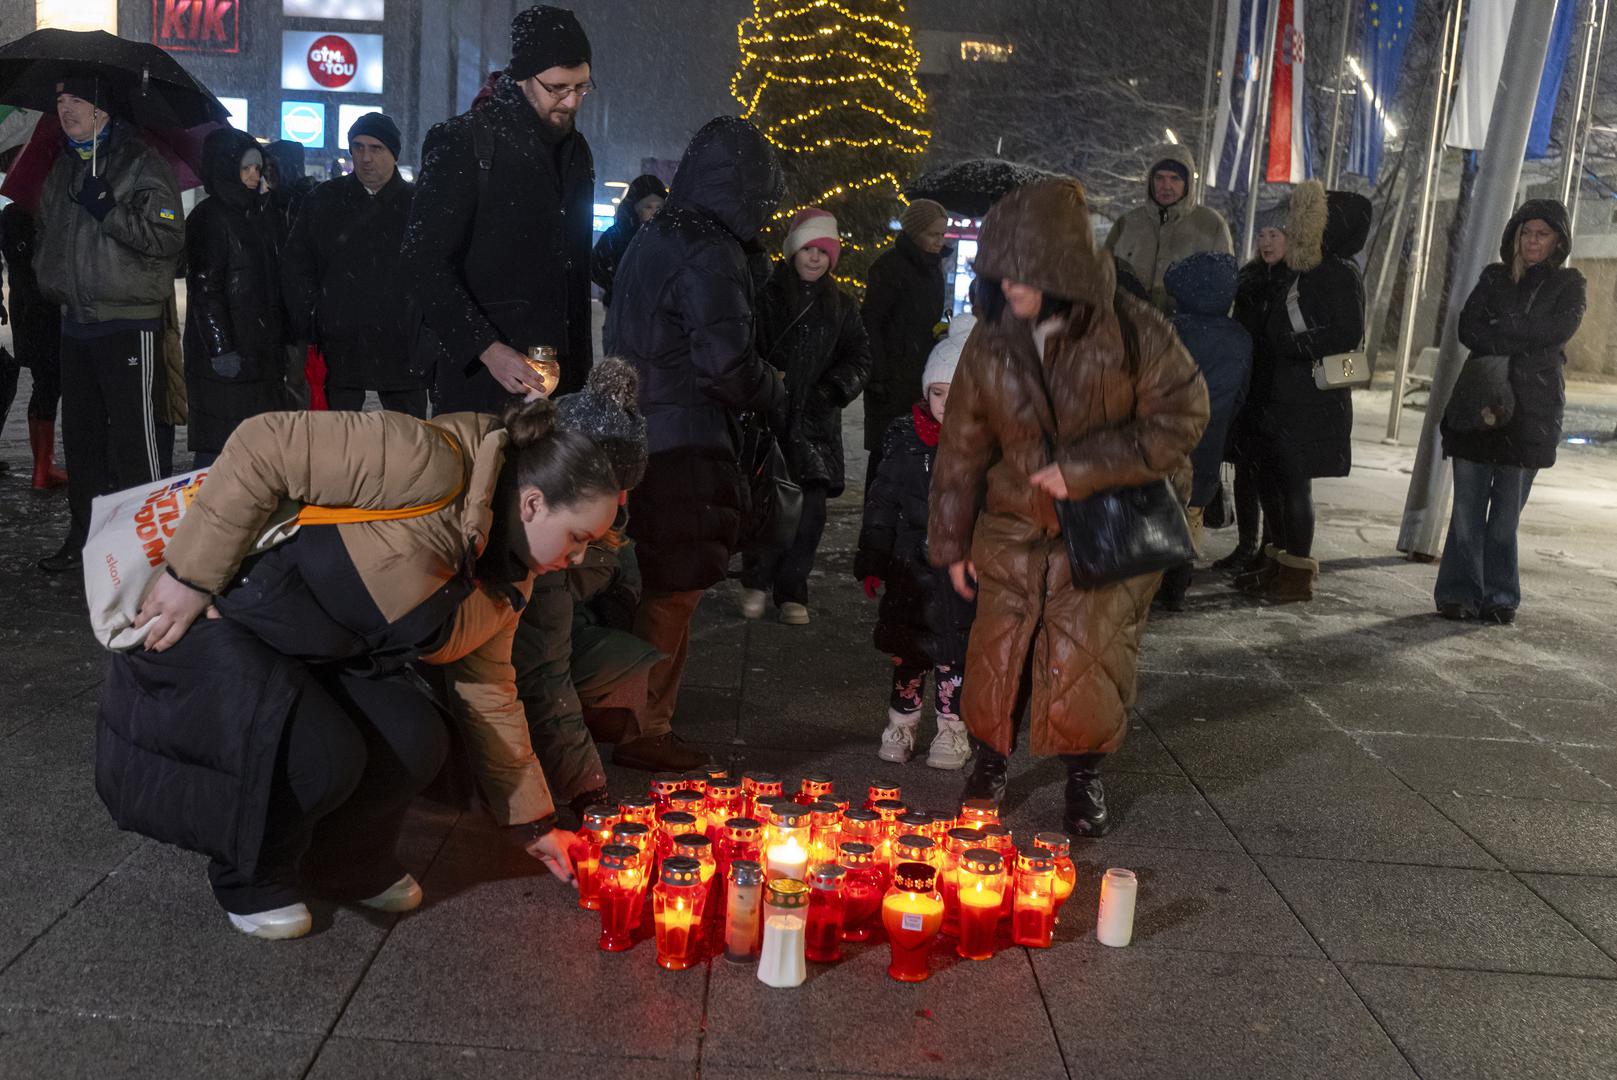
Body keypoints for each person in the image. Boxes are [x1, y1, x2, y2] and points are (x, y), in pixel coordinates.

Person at [97, 396, 620, 939]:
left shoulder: (510, 579)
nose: (578, 559)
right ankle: (250, 873)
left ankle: (341, 862)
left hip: (314, 653)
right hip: (222, 619)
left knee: (417, 738)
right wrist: (189, 576)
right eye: (578, 538)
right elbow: (264, 443)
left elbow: (488, 690)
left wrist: (533, 823)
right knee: (325, 755)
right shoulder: (428, 462)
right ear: (532, 504)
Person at [928, 181, 1207, 837]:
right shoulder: (991, 341)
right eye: (1002, 276)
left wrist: (1084, 469)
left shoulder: (1136, 330)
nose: (1012, 289)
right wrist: (949, 544)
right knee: (996, 660)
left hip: (1104, 532)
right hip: (1012, 529)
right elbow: (961, 449)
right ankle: (989, 764)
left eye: (1025, 275)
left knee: (1089, 664)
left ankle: (1084, 778)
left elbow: (1182, 417)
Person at [604, 116, 787, 773]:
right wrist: (776, 386)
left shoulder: (659, 233)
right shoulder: (707, 248)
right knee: (673, 591)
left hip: (641, 429)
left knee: (661, 584)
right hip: (683, 438)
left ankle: (643, 714)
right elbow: (726, 367)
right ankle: (640, 725)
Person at [405, 4, 596, 411]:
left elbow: (574, 272)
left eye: (581, 87)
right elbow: (423, 261)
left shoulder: (577, 152)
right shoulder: (464, 141)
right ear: (525, 76)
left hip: (559, 386)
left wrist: (582, 376)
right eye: (558, 87)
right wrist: (487, 348)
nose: (572, 101)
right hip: (483, 383)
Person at [33, 80, 186, 573]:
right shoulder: (64, 164)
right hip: (75, 322)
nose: (65, 109)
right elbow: (48, 233)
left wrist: (110, 210)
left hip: (128, 324)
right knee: (81, 442)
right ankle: (85, 539)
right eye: (60, 101)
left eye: (75, 99)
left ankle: (153, 548)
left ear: (102, 108)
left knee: (137, 442)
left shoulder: (141, 162)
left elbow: (166, 239)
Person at [512, 358, 659, 819]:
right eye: (615, 486)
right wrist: (586, 790)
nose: (622, 501)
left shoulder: (589, 519)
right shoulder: (546, 538)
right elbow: (544, 669)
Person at [1436, 200, 1586, 625]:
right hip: (1478, 407)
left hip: (1530, 416)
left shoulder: (1569, 284)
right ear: (1514, 236)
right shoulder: (1493, 277)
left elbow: (1556, 331)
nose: (1533, 239)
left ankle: (1500, 595)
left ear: (1558, 240)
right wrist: (1520, 333)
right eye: (1526, 232)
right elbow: (1469, 328)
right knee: (1466, 512)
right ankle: (1458, 593)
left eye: (1542, 232)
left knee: (1504, 519)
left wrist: (1501, 328)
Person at [1231, 181, 1370, 604]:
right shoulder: (1310, 266)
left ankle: (1295, 576)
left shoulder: (1339, 271)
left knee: (1294, 484)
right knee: (1273, 479)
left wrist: (1290, 345)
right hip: (1284, 394)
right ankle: (1276, 562)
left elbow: (1347, 333)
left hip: (1310, 398)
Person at [739, 207, 872, 625]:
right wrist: (764, 380)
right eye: (807, 249)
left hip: (815, 426)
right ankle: (756, 582)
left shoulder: (842, 306)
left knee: (810, 515)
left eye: (823, 251)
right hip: (771, 419)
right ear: (793, 250)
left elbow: (861, 356)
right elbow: (745, 347)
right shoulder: (766, 297)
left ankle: (792, 590)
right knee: (767, 506)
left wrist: (833, 390)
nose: (814, 258)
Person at [859, 314, 976, 769]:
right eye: (939, 393)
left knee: (953, 655)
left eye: (958, 393)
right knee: (908, 653)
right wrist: (873, 556)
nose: (947, 403)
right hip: (909, 569)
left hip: (959, 572)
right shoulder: (906, 440)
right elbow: (882, 501)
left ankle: (952, 731)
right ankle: (901, 724)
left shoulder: (985, 446)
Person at [282, 113, 425, 418]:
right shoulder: (323, 200)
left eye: (376, 148)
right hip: (339, 341)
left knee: (409, 440)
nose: (365, 158)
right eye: (357, 148)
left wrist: (424, 324)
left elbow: (437, 268)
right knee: (335, 441)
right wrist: (311, 315)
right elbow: (297, 264)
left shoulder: (419, 204)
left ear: (393, 154)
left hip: (402, 342)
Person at [183, 128, 285, 468]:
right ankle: (208, 517)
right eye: (246, 168)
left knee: (254, 446)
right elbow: (205, 289)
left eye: (258, 168)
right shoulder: (210, 218)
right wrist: (220, 347)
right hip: (225, 358)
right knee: (219, 447)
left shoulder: (256, 213)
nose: (255, 176)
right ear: (225, 168)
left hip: (256, 350)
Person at [1158, 251, 1253, 611]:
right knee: (1193, 508)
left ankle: (1157, 578)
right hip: (1212, 433)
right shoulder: (1240, 338)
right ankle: (1179, 583)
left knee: (1164, 502)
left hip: (1169, 431)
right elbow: (1241, 392)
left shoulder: (1171, 329)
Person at [861, 197, 949, 489]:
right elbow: (872, 322)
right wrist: (879, 376)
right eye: (932, 234)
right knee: (885, 457)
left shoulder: (935, 270)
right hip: (889, 381)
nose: (939, 241)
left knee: (915, 455)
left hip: (919, 378)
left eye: (942, 234)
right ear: (914, 233)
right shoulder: (888, 268)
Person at [1103, 145, 1233, 311]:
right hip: (1128, 329)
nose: (1166, 186)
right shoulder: (1127, 224)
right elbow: (1102, 278)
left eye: (1175, 178)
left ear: (1187, 184)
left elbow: (1224, 289)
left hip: (1186, 332)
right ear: (1150, 181)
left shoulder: (1211, 226)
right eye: (1159, 178)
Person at [0, 198, 67, 489]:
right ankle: (43, 468)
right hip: (43, 309)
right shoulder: (24, 217)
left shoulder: (13, 215)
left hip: (27, 308)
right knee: (50, 384)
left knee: (45, 385)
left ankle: (43, 465)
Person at [592, 173, 667, 313]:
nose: (654, 212)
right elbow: (595, 264)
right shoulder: (618, 235)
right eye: (648, 207)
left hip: (655, 310)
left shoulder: (667, 236)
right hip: (621, 308)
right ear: (637, 209)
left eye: (659, 207)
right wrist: (615, 285)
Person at [262, 140, 318, 247]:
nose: (268, 172)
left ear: (292, 167)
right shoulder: (265, 203)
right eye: (265, 166)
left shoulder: (315, 200)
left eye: (273, 165)